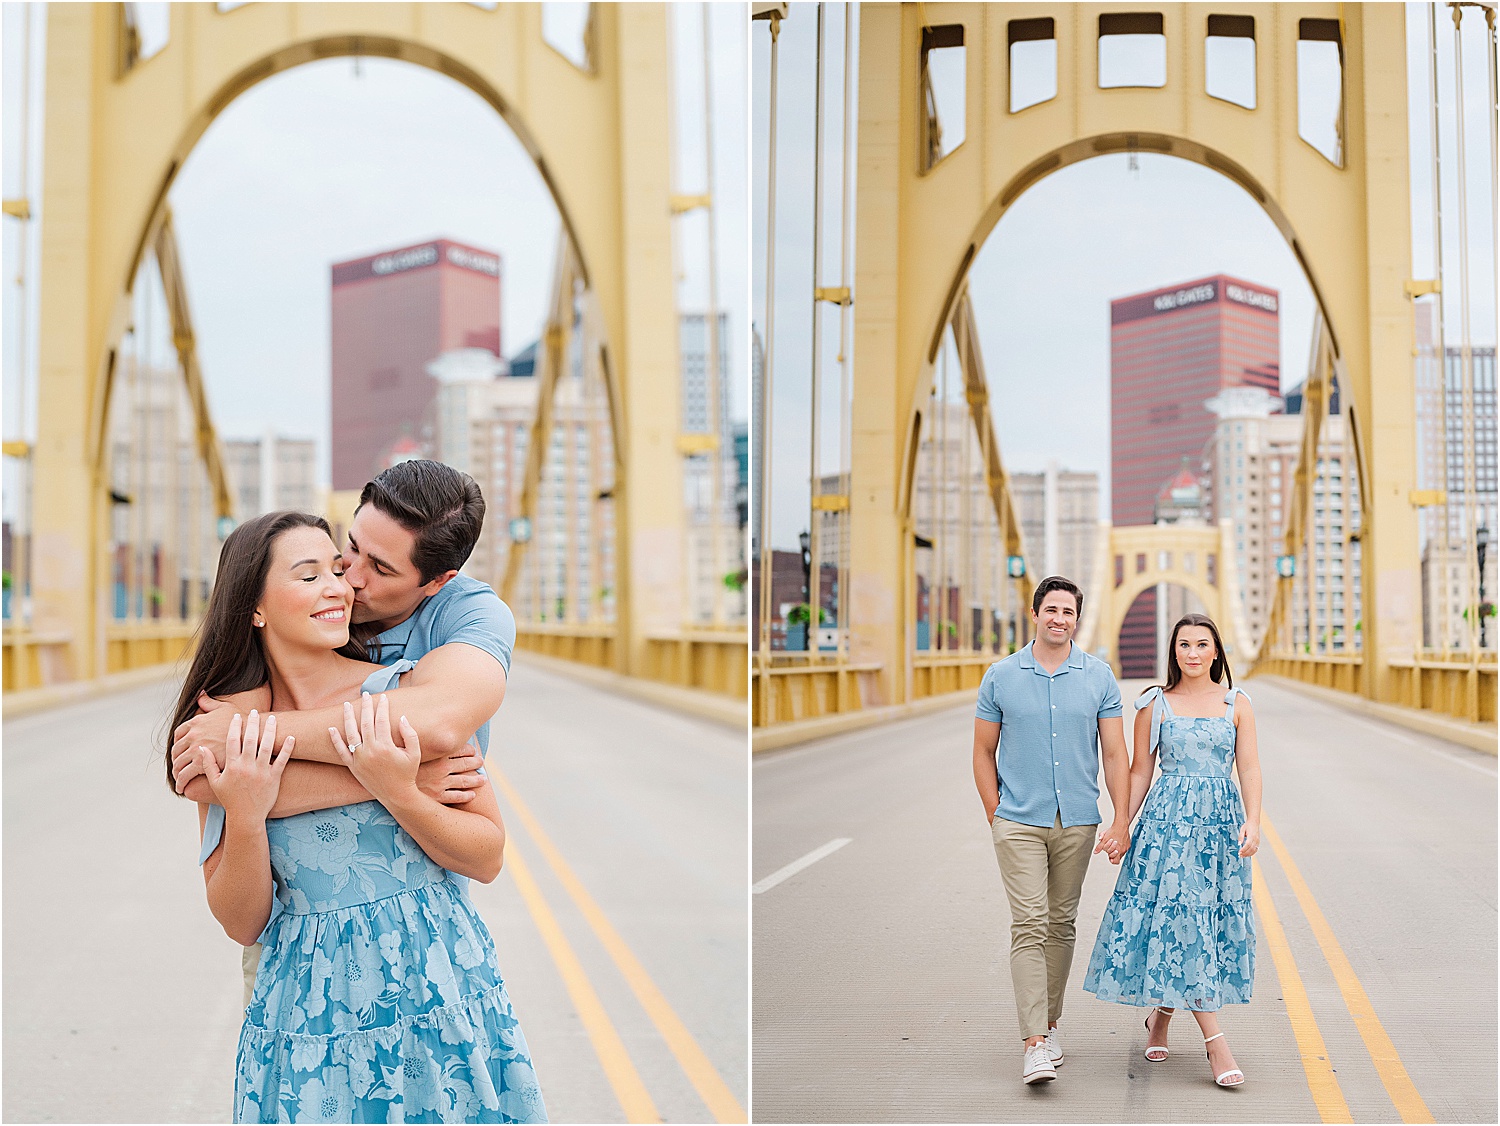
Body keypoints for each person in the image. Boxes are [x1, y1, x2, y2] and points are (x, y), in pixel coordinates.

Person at [169, 510, 546, 1123]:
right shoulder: (227, 733)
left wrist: (400, 791)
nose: (338, 587)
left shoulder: (408, 693)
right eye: (308, 574)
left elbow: (486, 856)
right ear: (255, 608)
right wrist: (244, 812)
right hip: (309, 1011)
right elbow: (242, 922)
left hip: (436, 987)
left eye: (336, 571)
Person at [172, 460, 512, 1004]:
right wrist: (398, 777)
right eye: (342, 554)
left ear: (435, 583)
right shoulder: (234, 711)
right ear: (253, 607)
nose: (347, 581)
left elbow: (445, 731)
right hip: (301, 993)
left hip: (432, 975)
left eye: (374, 567)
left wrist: (255, 743)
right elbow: (237, 908)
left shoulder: (426, 670)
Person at [1081, 612, 1261, 1089]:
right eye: (1184, 644)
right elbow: (1140, 771)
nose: (1194, 653)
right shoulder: (1154, 704)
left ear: (1217, 651)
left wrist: (1254, 822)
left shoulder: (1237, 703)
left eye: (1203, 644)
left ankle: (1160, 1016)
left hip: (1219, 827)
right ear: (1173, 651)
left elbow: (1250, 768)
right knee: (1180, 919)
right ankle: (1216, 1042)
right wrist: (1122, 823)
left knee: (1202, 922)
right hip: (1167, 828)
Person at [972, 575, 1131, 1085]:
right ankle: (1033, 1044)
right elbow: (981, 752)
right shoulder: (1000, 676)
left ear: (1076, 620)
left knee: (1061, 924)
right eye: (1052, 609)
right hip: (1018, 820)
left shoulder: (1099, 677)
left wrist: (1120, 817)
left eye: (1069, 612)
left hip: (1077, 820)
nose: (1060, 619)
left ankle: (1051, 1023)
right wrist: (996, 813)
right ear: (1035, 614)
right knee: (1030, 923)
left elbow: (1114, 754)